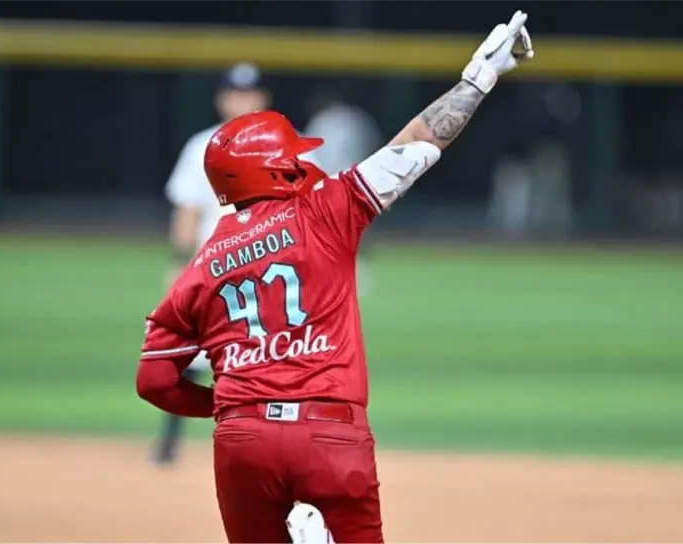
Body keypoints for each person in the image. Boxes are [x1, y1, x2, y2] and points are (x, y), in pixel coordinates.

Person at [136, 12, 534, 543]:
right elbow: (418, 144)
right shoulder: (328, 209)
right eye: (292, 161)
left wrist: (226, 404)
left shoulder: (201, 268)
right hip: (330, 435)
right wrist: (477, 81)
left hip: (243, 440)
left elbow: (154, 380)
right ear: (274, 171)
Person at [154, 62, 271, 465]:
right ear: (222, 98)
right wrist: (178, 266)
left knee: (267, 359)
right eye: (235, 93)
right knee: (191, 356)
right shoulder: (200, 146)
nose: (241, 101)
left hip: (269, 274)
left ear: (262, 98)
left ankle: (259, 446)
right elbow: (187, 211)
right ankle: (168, 443)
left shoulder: (281, 145)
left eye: (249, 93)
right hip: (212, 272)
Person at [302, 92, 383, 295]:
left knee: (329, 233)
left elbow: (315, 156)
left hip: (330, 184)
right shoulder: (357, 118)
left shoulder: (320, 122)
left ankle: (339, 275)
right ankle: (358, 272)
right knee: (356, 230)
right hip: (358, 181)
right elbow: (371, 146)